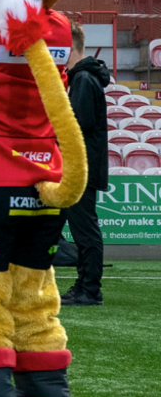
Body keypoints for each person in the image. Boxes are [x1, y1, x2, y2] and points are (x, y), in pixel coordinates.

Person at [61, 21, 110, 306]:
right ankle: (85, 284)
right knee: (83, 228)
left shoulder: (83, 80)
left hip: (82, 167)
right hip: (84, 165)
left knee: (85, 229)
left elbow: (78, 125)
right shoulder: (84, 78)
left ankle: (89, 288)